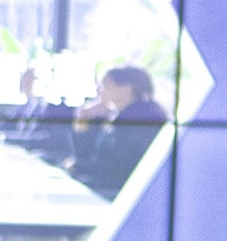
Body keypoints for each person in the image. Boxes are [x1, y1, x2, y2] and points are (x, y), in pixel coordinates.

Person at [69, 65, 166, 198]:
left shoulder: (142, 117)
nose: (99, 90)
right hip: (110, 185)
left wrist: (79, 167)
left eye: (106, 85)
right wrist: (82, 121)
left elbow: (119, 166)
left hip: (127, 192)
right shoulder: (116, 115)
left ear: (126, 89)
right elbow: (88, 155)